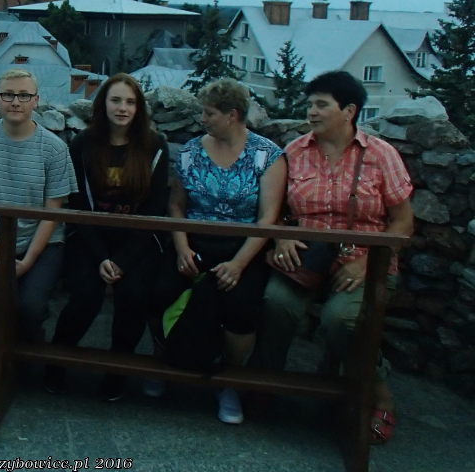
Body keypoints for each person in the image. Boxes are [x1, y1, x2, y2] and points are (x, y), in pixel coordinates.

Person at [254, 71, 413, 444]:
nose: (311, 111)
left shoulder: (381, 154)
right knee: (275, 303)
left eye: (321, 104)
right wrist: (281, 238)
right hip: (306, 260)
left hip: (364, 261)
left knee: (341, 319)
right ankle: (265, 384)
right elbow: (273, 211)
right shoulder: (294, 152)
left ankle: (377, 391)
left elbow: (404, 221)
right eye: (309, 104)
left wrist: (367, 262)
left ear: (349, 110)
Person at [163, 78, 286, 424]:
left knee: (241, 306)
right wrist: (182, 248)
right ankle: (166, 362)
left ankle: (231, 378)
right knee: (157, 287)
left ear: (232, 115)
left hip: (243, 247)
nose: (202, 119)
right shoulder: (190, 151)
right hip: (196, 242)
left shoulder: (267, 155)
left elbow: (267, 218)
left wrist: (239, 264)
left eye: (209, 113)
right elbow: (176, 205)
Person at [45, 73, 169, 401]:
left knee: (134, 295)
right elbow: (79, 205)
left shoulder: (155, 146)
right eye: (116, 100)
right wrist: (102, 257)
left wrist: (122, 261)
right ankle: (57, 360)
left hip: (137, 241)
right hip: (90, 239)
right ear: (103, 104)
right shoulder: (83, 144)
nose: (122, 108)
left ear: (138, 108)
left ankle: (117, 370)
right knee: (86, 296)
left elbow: (155, 209)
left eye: (130, 102)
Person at [0, 68, 77, 392]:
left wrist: (26, 261)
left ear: (36, 101)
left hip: (42, 242)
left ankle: (27, 362)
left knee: (30, 306)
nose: (15, 102)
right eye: (8, 94)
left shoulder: (54, 148)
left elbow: (53, 213)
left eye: (24, 95)